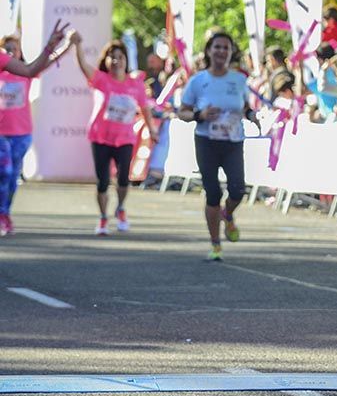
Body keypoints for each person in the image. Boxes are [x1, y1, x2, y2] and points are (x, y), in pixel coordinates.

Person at [70, 33, 157, 235]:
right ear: (106, 61)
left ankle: (121, 207)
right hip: (100, 137)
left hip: (124, 138)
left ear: (126, 61)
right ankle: (103, 218)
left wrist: (152, 130)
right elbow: (83, 65)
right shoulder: (101, 79)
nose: (117, 61)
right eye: (112, 57)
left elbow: (145, 109)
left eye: (120, 57)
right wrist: (77, 45)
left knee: (123, 179)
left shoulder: (135, 84)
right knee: (102, 181)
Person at [177, 32, 253, 261]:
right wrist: (199, 115)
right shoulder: (198, 81)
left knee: (238, 190)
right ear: (209, 51)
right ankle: (216, 244)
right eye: (217, 47)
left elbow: (245, 107)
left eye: (226, 48)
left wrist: (253, 116)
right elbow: (182, 112)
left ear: (231, 53)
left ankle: (227, 214)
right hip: (206, 141)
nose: (221, 51)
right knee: (213, 193)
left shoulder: (239, 80)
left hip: (232, 141)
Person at [0, 29, 71, 235]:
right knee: (4, 172)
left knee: (12, 176)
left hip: (21, 133)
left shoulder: (24, 74)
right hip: (1, 133)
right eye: (7, 49)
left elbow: (41, 65)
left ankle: (5, 213)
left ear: (20, 52)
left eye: (14, 49)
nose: (11, 52)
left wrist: (63, 47)